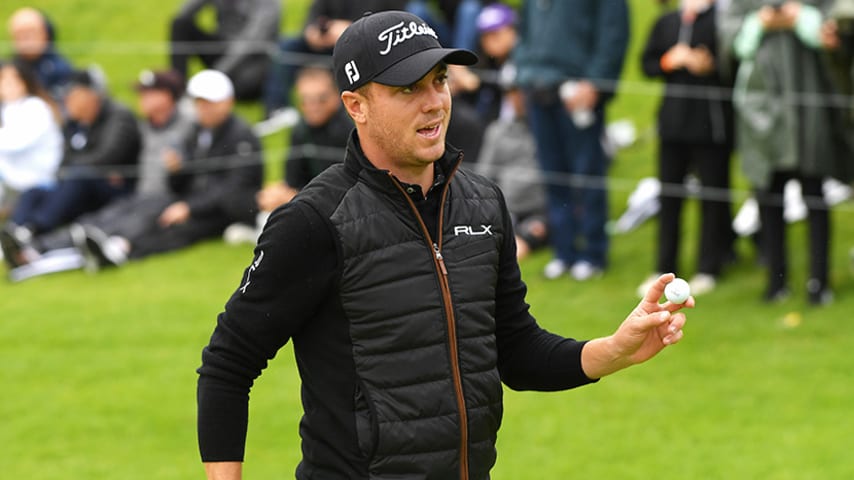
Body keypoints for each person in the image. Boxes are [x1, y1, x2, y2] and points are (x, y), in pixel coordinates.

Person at [196, 11, 692, 479]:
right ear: (356, 106)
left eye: (440, 80)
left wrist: (613, 350)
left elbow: (514, 349)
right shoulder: (313, 221)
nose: (434, 101)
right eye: (408, 88)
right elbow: (227, 365)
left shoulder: (483, 204)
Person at [719, 0, 853, 304]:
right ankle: (775, 281)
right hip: (762, 112)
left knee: (815, 197)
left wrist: (803, 18)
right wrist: (762, 22)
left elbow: (836, 26)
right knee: (768, 199)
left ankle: (819, 282)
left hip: (809, 113)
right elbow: (732, 41)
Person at [1, 69, 195, 280]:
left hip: (145, 195)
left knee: (107, 219)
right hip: (135, 195)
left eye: (150, 93)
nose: (143, 98)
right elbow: (66, 161)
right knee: (55, 201)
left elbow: (108, 157)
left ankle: (37, 243)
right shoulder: (144, 126)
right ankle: (29, 243)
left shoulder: (182, 125)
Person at [81, 69, 263, 267]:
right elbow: (184, 183)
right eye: (199, 103)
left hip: (227, 210)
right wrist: (177, 171)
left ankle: (125, 250)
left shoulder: (241, 136)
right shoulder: (196, 132)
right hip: (197, 201)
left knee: (178, 227)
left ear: (228, 101)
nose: (204, 108)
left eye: (209, 103)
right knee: (157, 209)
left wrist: (190, 207)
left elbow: (233, 188)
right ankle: (116, 243)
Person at [513, 0, 630, 281]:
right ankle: (564, 251)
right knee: (552, 174)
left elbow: (613, 33)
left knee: (587, 173)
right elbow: (524, 30)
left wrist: (595, 82)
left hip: (578, 90)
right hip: (539, 89)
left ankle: (593, 252)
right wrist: (524, 73)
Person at [637, 0, 736, 297]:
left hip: (711, 126)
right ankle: (664, 267)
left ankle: (709, 266)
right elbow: (647, 64)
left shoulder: (722, 21)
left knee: (712, 197)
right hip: (672, 126)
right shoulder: (666, 22)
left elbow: (734, 65)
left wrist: (709, 64)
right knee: (670, 197)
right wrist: (670, 60)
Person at [0, 68, 141, 267]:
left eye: (72, 95)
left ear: (92, 95)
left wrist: (78, 165)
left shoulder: (118, 116)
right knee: (34, 192)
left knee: (79, 176)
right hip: (82, 186)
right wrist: (76, 166)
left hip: (116, 190)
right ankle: (14, 233)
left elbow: (108, 157)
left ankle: (31, 231)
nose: (66, 100)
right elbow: (64, 160)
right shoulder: (74, 124)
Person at [226, 65, 352, 243]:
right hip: (309, 199)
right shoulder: (300, 130)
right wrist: (282, 193)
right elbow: (292, 178)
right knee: (243, 198)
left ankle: (264, 228)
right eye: (305, 100)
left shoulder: (347, 131)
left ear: (336, 97)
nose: (312, 106)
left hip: (341, 207)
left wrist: (294, 195)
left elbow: (345, 187)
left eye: (320, 99)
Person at [261, 0, 409, 117]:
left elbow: (391, 23)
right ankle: (277, 108)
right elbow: (315, 13)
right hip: (327, 43)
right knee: (287, 46)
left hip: (366, 43)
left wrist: (352, 29)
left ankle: (345, 108)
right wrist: (312, 31)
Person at [475, 86, 548, 260]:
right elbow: (483, 177)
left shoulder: (550, 129)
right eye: (513, 94)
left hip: (541, 211)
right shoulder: (498, 131)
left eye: (522, 93)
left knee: (526, 241)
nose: (518, 99)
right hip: (506, 210)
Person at [168, 0, 281, 100]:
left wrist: (216, 73)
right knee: (180, 25)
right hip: (222, 49)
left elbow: (252, 41)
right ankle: (178, 93)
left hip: (252, 64)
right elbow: (184, 14)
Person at [0, 60, 63, 219]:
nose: (9, 85)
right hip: (10, 181)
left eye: (15, 79)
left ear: (25, 81)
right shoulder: (7, 109)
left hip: (35, 182)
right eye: (3, 79)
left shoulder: (36, 108)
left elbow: (15, 143)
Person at [7, 7, 73, 100]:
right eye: (20, 33)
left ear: (45, 33)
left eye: (31, 32)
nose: (26, 38)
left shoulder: (60, 68)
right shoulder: (9, 70)